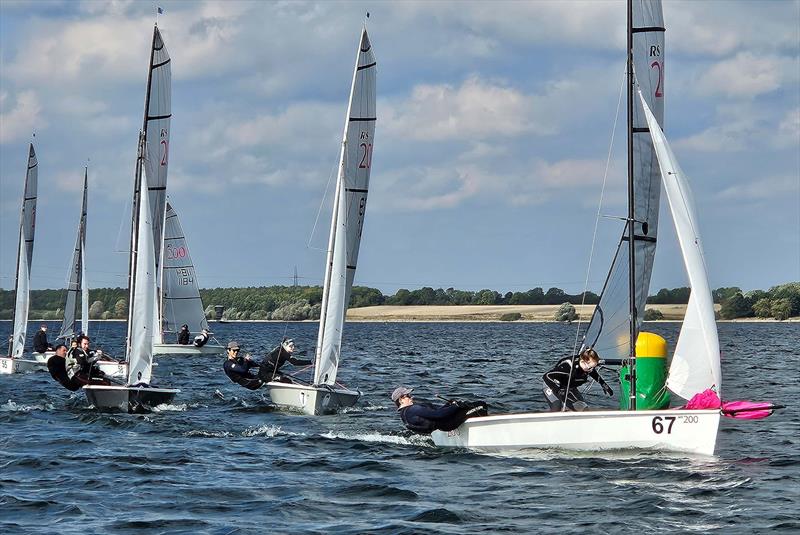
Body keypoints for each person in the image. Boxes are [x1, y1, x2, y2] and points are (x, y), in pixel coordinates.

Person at [392, 386, 488, 434]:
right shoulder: (413, 409)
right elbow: (439, 415)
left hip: (443, 428)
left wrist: (447, 405)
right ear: (401, 400)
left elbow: (434, 415)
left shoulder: (404, 415)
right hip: (450, 423)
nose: (411, 397)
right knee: (481, 405)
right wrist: (456, 406)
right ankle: (485, 432)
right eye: (408, 396)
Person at [542, 348, 613, 412]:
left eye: (593, 367)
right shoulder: (568, 367)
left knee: (583, 408)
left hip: (568, 387)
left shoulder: (587, 367)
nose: (591, 370)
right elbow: (547, 376)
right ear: (582, 362)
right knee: (557, 405)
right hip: (551, 385)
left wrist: (603, 384)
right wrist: (557, 390)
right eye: (589, 368)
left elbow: (593, 373)